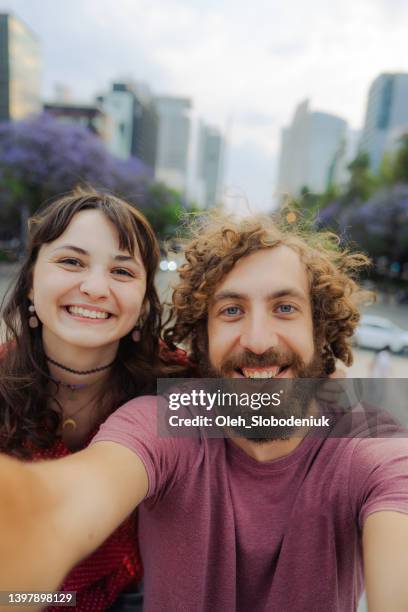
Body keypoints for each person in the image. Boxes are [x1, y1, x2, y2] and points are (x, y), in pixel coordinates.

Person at [1, 212, 408, 611]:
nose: (258, 340)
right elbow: (57, 508)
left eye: (285, 308)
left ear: (321, 331)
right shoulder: (166, 416)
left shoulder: (369, 441)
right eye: (231, 310)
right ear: (202, 337)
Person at [0, 188, 169, 611]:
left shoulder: (173, 381)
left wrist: (317, 369)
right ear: (30, 284)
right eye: (71, 262)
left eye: (122, 272)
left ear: (144, 303)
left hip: (133, 595)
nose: (95, 288)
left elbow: (340, 413)